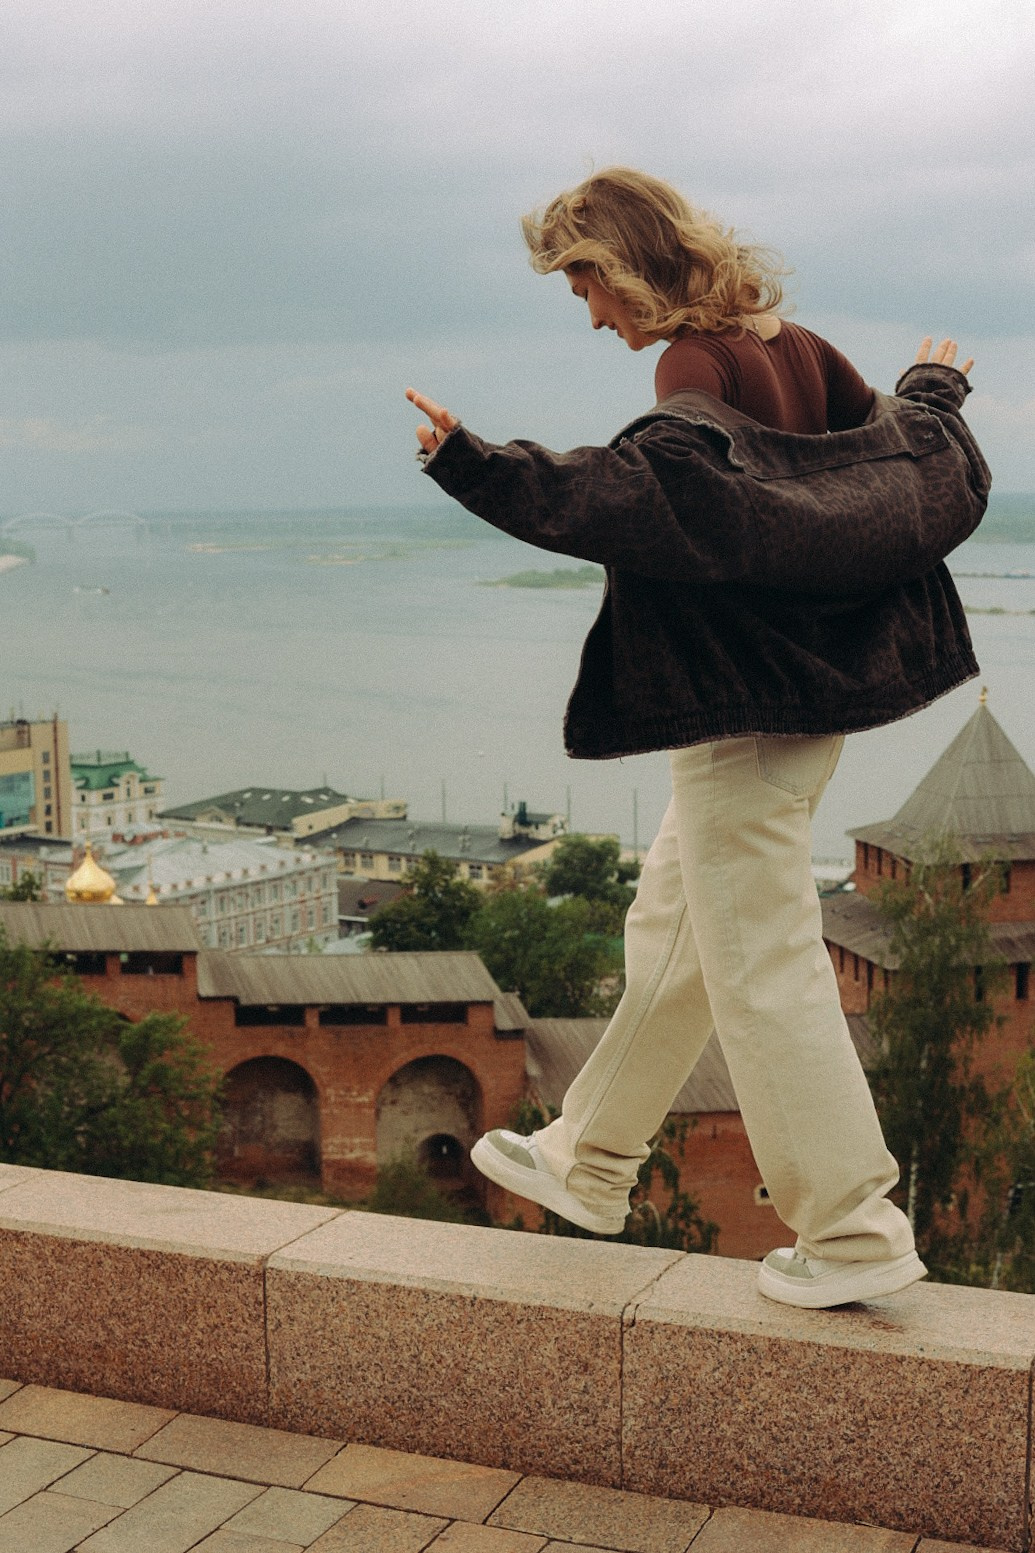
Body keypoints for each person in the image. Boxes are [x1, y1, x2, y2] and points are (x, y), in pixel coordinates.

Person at [405, 167, 986, 1309]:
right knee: (674, 922)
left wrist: (474, 466)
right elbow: (898, 476)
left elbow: (643, 497)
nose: (586, 310)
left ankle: (853, 1226)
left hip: (740, 710)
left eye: (583, 279)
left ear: (626, 262)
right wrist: (933, 395)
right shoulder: (804, 348)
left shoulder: (694, 365)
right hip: (811, 705)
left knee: (762, 957)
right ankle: (590, 1155)